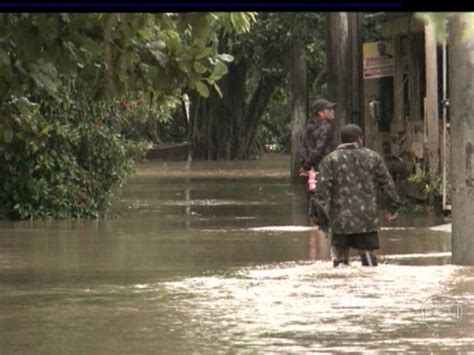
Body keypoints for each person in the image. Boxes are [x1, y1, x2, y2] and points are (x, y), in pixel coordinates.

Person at [312, 124, 402, 267]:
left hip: (340, 219)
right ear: (360, 139)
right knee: (369, 260)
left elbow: (321, 192)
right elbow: (386, 184)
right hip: (366, 219)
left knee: (340, 261)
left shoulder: (330, 160)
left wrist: (320, 219)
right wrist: (392, 206)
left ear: (342, 141)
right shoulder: (373, 157)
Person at [298, 98, 336, 192]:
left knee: (312, 195)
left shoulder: (308, 127)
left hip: (310, 169)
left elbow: (302, 148)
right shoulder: (326, 127)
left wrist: (306, 165)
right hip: (323, 167)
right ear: (321, 113)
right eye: (329, 109)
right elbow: (319, 149)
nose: (332, 111)